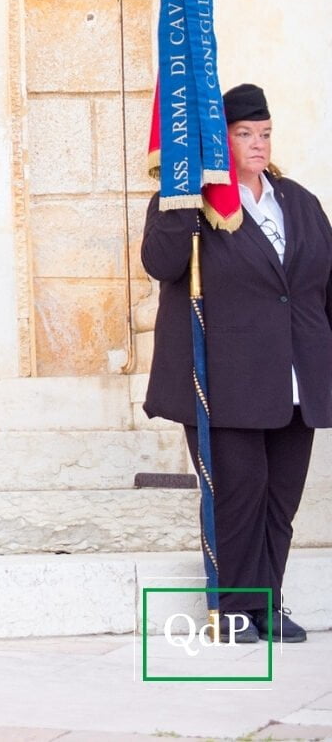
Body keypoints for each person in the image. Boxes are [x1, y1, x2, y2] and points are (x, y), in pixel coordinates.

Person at [142, 83, 325, 645]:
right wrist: (182, 197)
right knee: (237, 495)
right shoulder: (192, 203)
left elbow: (319, 288)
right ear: (219, 142)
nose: (258, 144)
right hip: (226, 381)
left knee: (279, 502)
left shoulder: (298, 202)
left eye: (264, 133)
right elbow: (161, 264)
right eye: (244, 134)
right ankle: (233, 610)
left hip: (296, 382)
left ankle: (267, 605)